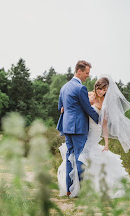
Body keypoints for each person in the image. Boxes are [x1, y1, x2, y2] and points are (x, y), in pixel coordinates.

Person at [57, 76, 130, 198]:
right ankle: (74, 187)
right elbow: (75, 102)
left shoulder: (105, 103)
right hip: (83, 129)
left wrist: (106, 143)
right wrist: (64, 107)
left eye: (104, 90)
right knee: (78, 156)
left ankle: (88, 187)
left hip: (95, 131)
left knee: (88, 156)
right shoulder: (88, 95)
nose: (101, 92)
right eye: (99, 88)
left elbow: (104, 124)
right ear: (96, 87)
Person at [56, 60, 99, 197]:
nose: (88, 76)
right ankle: (81, 190)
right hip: (79, 128)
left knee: (70, 157)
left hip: (67, 127)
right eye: (86, 73)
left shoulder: (64, 87)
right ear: (79, 71)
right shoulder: (80, 88)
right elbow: (88, 108)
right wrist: (101, 119)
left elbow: (60, 108)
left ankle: (69, 189)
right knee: (81, 157)